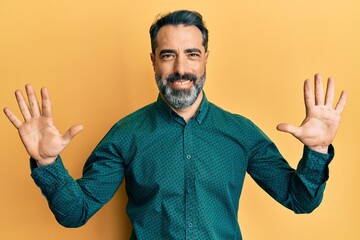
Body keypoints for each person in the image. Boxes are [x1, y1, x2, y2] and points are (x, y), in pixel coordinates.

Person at [3, 10, 347, 240]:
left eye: (192, 54)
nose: (181, 67)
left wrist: (316, 151)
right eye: (168, 55)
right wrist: (48, 164)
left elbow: (300, 200)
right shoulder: (126, 134)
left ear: (206, 58)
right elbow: (76, 212)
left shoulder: (240, 134)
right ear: (153, 60)